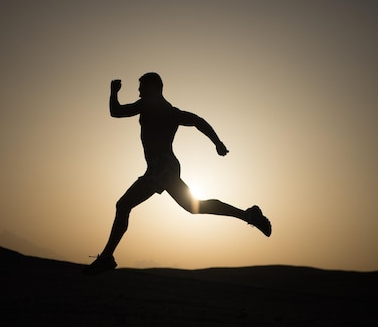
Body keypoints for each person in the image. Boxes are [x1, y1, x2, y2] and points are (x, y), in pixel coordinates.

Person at [82, 72, 271, 275]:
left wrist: (113, 92)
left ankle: (107, 257)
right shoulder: (172, 112)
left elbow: (116, 112)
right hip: (165, 167)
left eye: (141, 87)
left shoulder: (147, 104)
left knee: (124, 205)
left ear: (153, 88)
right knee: (193, 206)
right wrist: (217, 142)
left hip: (161, 169)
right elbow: (197, 120)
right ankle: (248, 215)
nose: (139, 91)